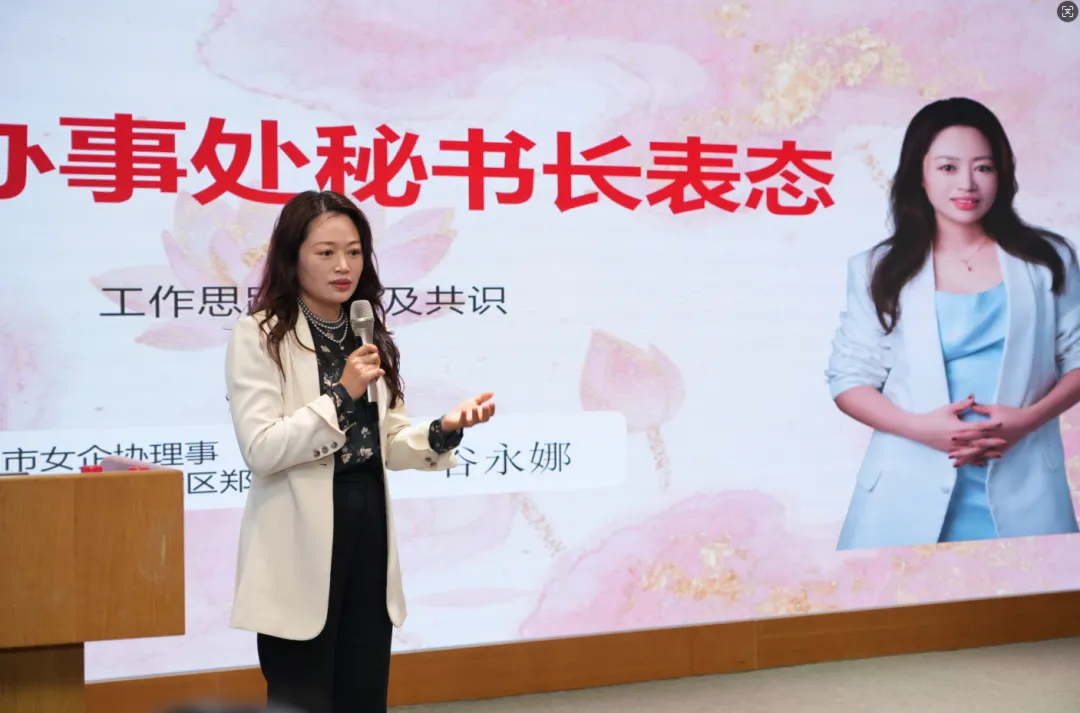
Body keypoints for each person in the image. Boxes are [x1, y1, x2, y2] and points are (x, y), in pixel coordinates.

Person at [223, 190, 496, 713]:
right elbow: (262, 449)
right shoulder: (260, 335)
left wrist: (442, 431)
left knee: (364, 689)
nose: (343, 266)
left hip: (367, 522)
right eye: (325, 252)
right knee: (302, 695)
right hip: (300, 531)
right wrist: (341, 394)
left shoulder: (367, 330)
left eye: (353, 251)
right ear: (292, 257)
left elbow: (388, 441)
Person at [826, 97, 1080, 551]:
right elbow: (849, 379)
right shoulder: (876, 268)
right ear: (919, 175)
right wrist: (921, 429)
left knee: (1034, 596)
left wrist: (1026, 421)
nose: (967, 183)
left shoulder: (1048, 259)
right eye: (947, 167)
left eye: (983, 167)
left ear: (1001, 174)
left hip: (1025, 484)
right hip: (906, 488)